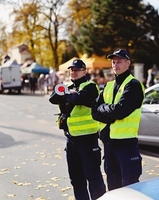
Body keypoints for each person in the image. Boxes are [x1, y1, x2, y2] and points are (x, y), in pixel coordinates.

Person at [49, 59, 106, 200]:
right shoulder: (68, 86)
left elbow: (79, 99)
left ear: (84, 71)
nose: (73, 72)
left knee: (93, 177)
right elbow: (53, 98)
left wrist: (68, 93)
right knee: (76, 179)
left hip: (88, 139)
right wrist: (66, 91)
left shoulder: (91, 87)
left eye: (76, 70)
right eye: (71, 70)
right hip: (71, 139)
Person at [91, 49, 145, 190]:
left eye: (119, 61)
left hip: (126, 146)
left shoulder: (133, 85)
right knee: (113, 189)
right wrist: (110, 112)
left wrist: (103, 108)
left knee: (129, 191)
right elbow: (94, 111)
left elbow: (120, 111)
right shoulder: (108, 86)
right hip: (109, 146)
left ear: (128, 63)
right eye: (113, 62)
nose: (116, 65)